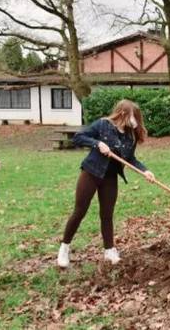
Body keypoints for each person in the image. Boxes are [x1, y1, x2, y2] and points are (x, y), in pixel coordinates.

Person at [58, 100, 155, 267]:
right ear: (123, 114)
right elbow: (78, 137)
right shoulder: (103, 125)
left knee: (107, 214)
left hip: (110, 178)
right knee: (80, 211)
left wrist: (145, 170)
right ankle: (64, 249)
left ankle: (109, 250)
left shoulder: (129, 136)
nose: (135, 122)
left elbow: (130, 159)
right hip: (91, 172)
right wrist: (97, 143)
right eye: (134, 117)